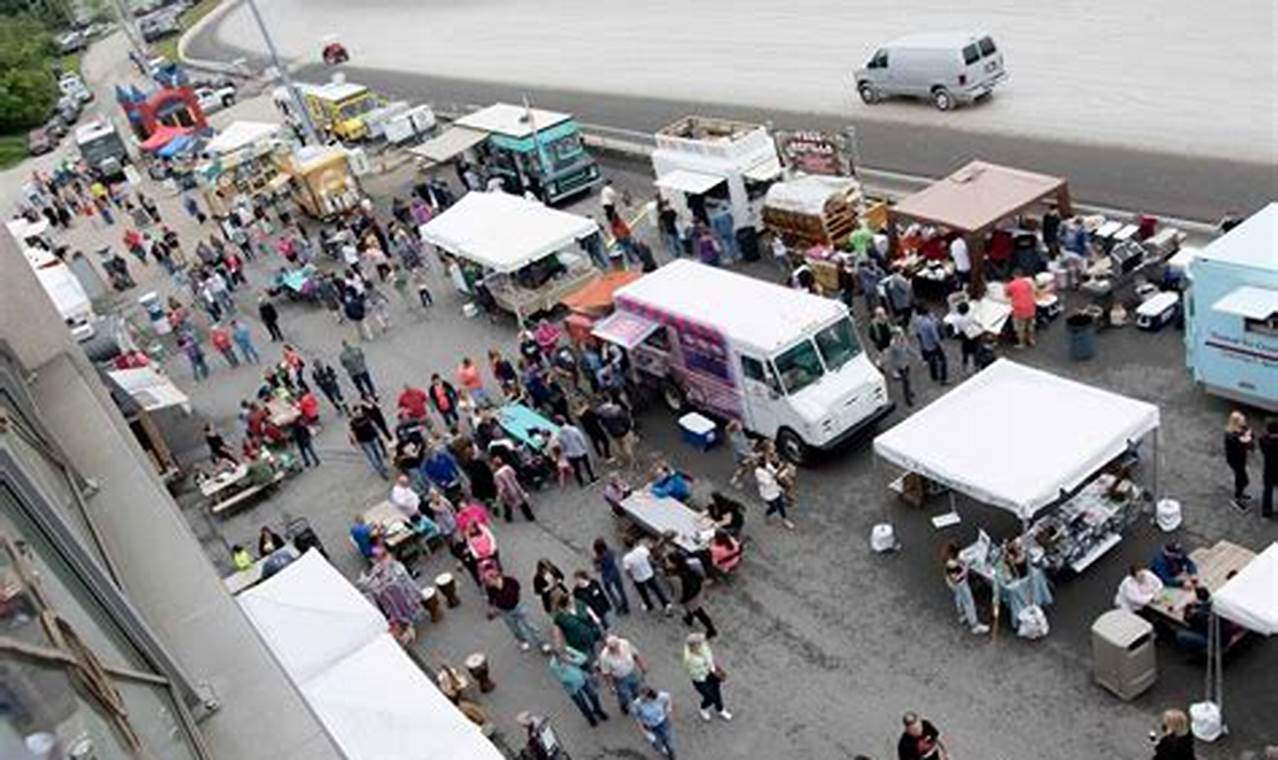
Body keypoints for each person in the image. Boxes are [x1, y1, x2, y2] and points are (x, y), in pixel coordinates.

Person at [484, 572, 547, 652]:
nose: (487, 583)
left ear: (495, 578)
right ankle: (523, 641)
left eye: (488, 581)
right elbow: (491, 599)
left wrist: (513, 598)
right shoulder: (489, 588)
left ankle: (542, 642)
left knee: (530, 625)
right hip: (505, 611)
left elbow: (517, 588)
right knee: (514, 628)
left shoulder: (510, 581)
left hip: (517, 606)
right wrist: (492, 608)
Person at [547, 648, 610, 727]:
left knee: (593, 695)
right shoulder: (553, 665)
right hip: (573, 688)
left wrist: (571, 661)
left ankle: (598, 710)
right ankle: (590, 717)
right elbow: (563, 678)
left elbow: (583, 658)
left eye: (565, 654)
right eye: (561, 657)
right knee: (582, 703)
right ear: (556, 657)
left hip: (583, 679)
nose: (564, 657)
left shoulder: (569, 655)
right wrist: (566, 667)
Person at [942, 543, 989, 635]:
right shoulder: (952, 564)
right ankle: (975, 625)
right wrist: (965, 569)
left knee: (959, 597)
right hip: (960, 583)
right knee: (969, 602)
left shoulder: (948, 559)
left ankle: (962, 615)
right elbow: (957, 577)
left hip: (953, 584)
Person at [683, 632, 731, 721]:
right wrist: (707, 668)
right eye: (700, 642)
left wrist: (714, 669)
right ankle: (703, 708)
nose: (703, 642)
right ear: (694, 646)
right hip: (700, 680)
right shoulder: (689, 659)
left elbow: (710, 658)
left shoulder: (703, 647)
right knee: (710, 697)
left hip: (711, 674)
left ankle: (720, 709)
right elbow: (693, 672)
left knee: (717, 692)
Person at [671, 555, 717, 638]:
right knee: (693, 609)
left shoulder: (676, 575)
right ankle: (689, 618)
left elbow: (678, 592)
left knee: (699, 612)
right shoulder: (689, 564)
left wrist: (676, 601)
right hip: (695, 589)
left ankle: (711, 629)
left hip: (690, 596)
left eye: (669, 561)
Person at [623, 537, 672, 614]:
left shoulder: (626, 558)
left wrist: (632, 577)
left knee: (643, 593)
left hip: (638, 578)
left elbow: (628, 571)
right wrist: (655, 568)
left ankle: (649, 605)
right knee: (657, 589)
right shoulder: (642, 549)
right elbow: (650, 560)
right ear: (635, 542)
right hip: (649, 573)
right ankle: (665, 603)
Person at [551, 593, 603, 664]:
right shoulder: (560, 618)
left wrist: (594, 617)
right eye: (570, 601)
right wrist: (559, 646)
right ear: (565, 604)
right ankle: (593, 666)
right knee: (587, 657)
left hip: (590, 634)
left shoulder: (578, 603)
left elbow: (586, 607)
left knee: (596, 649)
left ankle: (599, 660)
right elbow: (557, 633)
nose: (573, 601)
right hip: (578, 642)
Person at [632, 687, 676, 759]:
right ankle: (661, 748)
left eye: (645, 698)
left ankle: (670, 752)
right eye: (641, 697)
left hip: (662, 722)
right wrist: (642, 730)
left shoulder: (659, 696)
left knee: (667, 738)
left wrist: (668, 708)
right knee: (656, 742)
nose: (642, 699)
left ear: (651, 696)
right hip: (650, 726)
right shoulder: (637, 703)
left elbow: (668, 697)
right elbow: (636, 717)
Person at [882, 327, 920, 407]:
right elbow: (891, 358)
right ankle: (908, 399)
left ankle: (909, 392)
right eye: (900, 334)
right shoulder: (893, 345)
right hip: (900, 366)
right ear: (895, 335)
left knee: (908, 380)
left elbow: (908, 349)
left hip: (906, 363)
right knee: (906, 381)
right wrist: (893, 370)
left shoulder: (904, 340)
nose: (901, 335)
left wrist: (916, 355)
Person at [553, 416, 597, 486]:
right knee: (587, 465)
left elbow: (562, 446)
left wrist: (565, 453)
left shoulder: (559, 434)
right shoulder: (573, 429)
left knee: (577, 469)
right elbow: (581, 439)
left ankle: (581, 482)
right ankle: (592, 477)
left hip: (570, 454)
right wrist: (584, 447)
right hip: (580, 450)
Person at [593, 538, 631, 615]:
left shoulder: (597, 558)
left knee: (610, 592)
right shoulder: (611, 551)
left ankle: (618, 606)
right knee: (621, 590)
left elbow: (598, 569)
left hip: (606, 575)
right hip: (615, 572)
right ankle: (625, 606)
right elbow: (615, 557)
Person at [1224, 410, 1254, 511]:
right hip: (1235, 460)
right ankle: (1237, 498)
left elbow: (1250, 439)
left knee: (1242, 478)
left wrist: (1248, 437)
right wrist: (1245, 440)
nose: (1245, 422)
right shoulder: (1231, 436)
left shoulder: (1241, 430)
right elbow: (1239, 446)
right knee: (1241, 479)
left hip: (1241, 459)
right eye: (1242, 421)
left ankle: (1240, 494)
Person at [754, 456, 795, 529]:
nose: (766, 463)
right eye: (764, 462)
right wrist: (778, 473)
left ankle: (785, 520)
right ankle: (767, 514)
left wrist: (783, 470)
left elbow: (775, 473)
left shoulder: (768, 465)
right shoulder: (758, 472)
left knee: (780, 505)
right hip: (767, 494)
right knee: (774, 507)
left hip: (775, 490)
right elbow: (767, 482)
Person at [492, 454, 536, 522]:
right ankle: (530, 516)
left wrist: (499, 495)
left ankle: (508, 517)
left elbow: (501, 486)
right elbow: (514, 474)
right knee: (523, 503)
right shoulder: (508, 467)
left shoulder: (497, 475)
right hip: (516, 487)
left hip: (508, 491)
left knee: (507, 504)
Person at [349, 406, 388, 478]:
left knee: (378, 453)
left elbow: (374, 425)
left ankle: (382, 465)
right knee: (372, 456)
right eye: (357, 411)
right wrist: (355, 442)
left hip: (373, 437)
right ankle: (380, 470)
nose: (359, 412)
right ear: (354, 413)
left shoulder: (367, 416)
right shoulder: (353, 422)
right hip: (364, 441)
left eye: (359, 411)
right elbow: (352, 432)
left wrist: (379, 434)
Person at [913, 307, 948, 385]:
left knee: (932, 360)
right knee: (943, 360)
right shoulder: (929, 323)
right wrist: (941, 345)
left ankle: (934, 376)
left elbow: (918, 333)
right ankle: (943, 378)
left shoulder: (918, 321)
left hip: (926, 344)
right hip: (934, 345)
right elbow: (935, 337)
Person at [1005, 269, 1038, 348]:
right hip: (1030, 307)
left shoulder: (1011, 285)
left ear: (1014, 275)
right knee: (1030, 325)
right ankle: (1031, 340)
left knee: (1020, 327)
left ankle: (1021, 343)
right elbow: (1032, 291)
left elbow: (1007, 294)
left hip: (1019, 309)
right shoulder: (1027, 283)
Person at [1260, 417, 1277, 519]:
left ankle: (1266, 511)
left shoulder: (1263, 440)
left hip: (1269, 469)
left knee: (1267, 490)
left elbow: (1263, 437)